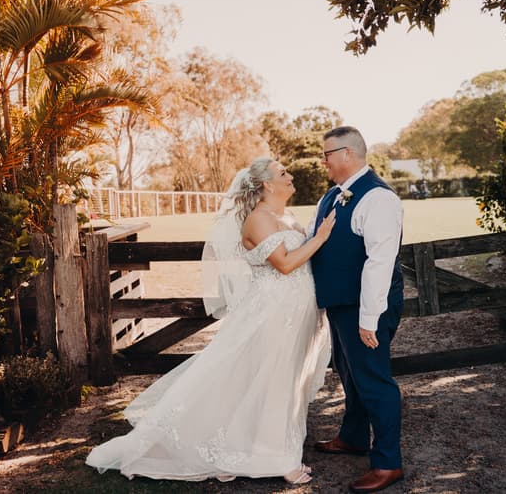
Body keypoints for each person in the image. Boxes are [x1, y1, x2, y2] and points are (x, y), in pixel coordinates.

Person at [86, 157, 336, 485]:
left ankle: (245, 448)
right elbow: (285, 265)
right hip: (272, 314)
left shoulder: (286, 216)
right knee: (271, 382)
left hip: (297, 312)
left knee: (286, 381)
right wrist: (320, 238)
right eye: (283, 173)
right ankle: (278, 459)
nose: (290, 176)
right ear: (265, 185)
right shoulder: (258, 219)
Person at [309, 126, 405, 492]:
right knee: (348, 373)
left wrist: (369, 320)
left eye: (327, 155)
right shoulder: (332, 196)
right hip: (341, 304)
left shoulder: (379, 198)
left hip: (368, 306)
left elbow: (380, 262)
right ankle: (352, 437)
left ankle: (388, 463)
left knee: (374, 381)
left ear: (347, 153)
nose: (324, 162)